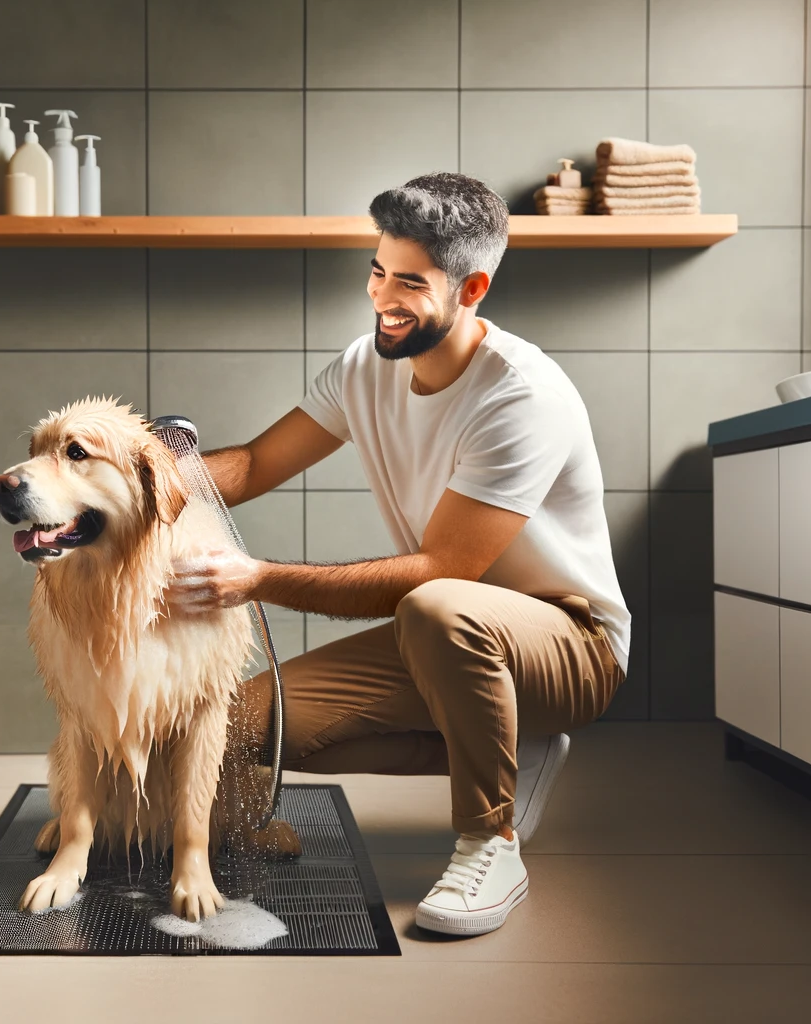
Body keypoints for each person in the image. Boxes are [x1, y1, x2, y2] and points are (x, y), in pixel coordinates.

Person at [164, 172, 629, 937]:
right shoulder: (363, 367)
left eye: (410, 283)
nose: (382, 297)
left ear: (471, 287)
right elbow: (249, 464)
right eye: (378, 271)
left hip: (571, 643)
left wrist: (258, 581)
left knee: (436, 604)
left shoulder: (521, 396)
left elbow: (445, 570)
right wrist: (138, 479)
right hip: (446, 636)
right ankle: (518, 746)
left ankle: (491, 841)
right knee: (237, 726)